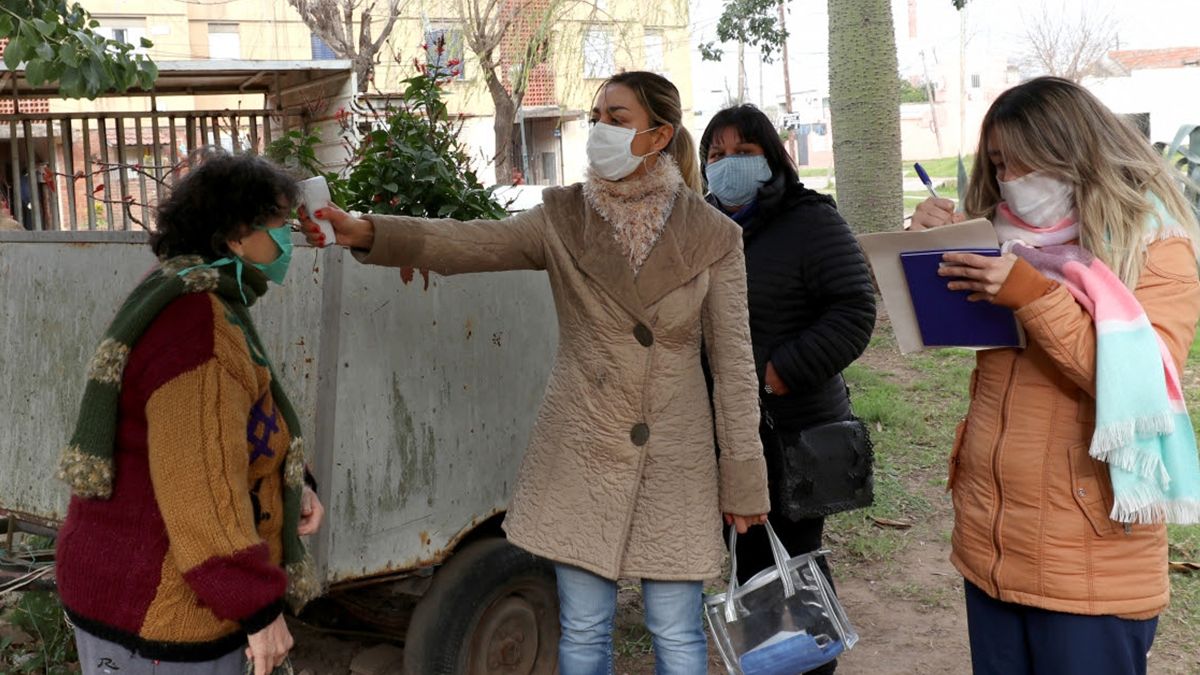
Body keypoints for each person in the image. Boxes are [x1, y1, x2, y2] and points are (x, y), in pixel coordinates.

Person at [299, 70, 770, 674]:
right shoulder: (562, 217)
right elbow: (469, 244)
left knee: (677, 633)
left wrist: (743, 481)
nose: (599, 128)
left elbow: (734, 370)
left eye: (617, 119)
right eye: (596, 115)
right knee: (582, 627)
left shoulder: (715, 236)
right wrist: (365, 230)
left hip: (677, 458)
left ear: (657, 137)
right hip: (582, 447)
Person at [910, 76, 1200, 675]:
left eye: (1025, 160)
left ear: (1074, 152)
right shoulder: (1000, 238)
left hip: (1088, 549)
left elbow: (1144, 382)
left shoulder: (1158, 244)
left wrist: (1033, 296)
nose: (1011, 177)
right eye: (998, 162)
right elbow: (941, 333)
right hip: (992, 539)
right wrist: (934, 251)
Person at [55, 152, 325, 675]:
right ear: (235, 236)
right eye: (280, 226)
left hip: (128, 587)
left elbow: (235, 434)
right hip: (158, 612)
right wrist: (258, 610)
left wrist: (297, 483)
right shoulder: (197, 329)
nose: (289, 238)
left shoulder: (186, 292)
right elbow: (201, 487)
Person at [699, 104, 876, 675]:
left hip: (794, 432)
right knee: (746, 565)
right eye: (716, 155)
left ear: (772, 158)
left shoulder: (810, 220)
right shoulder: (701, 227)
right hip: (725, 432)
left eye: (744, 154)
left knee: (793, 565)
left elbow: (853, 311)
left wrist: (778, 373)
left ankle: (807, 664)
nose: (728, 166)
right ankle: (769, 662)